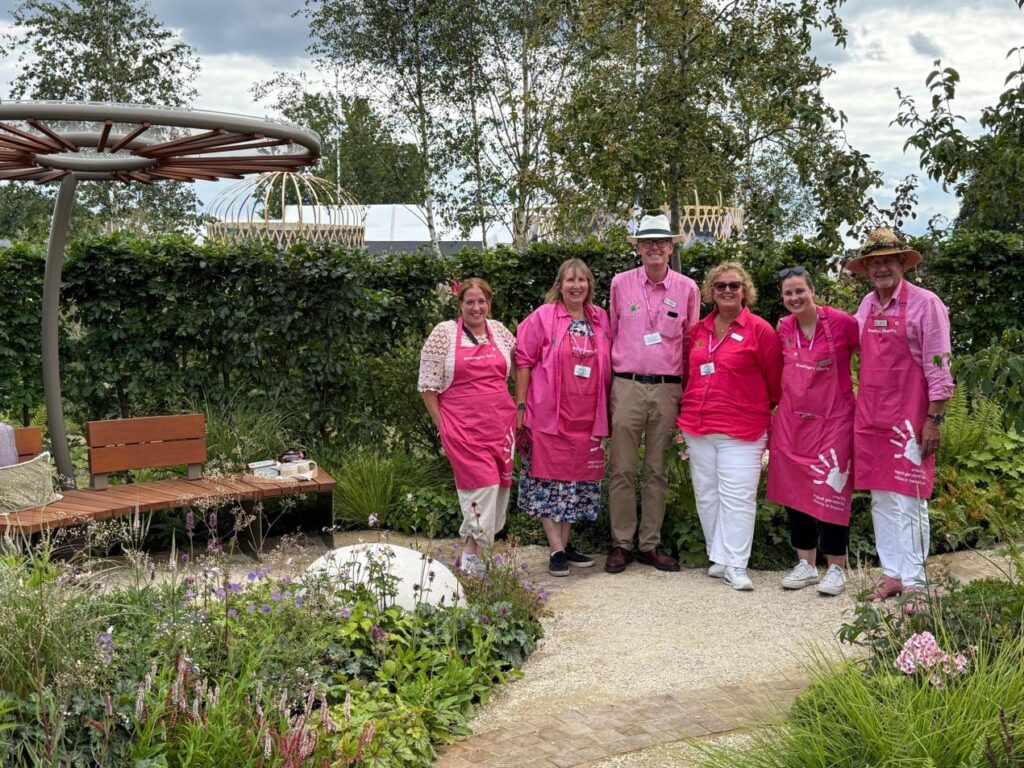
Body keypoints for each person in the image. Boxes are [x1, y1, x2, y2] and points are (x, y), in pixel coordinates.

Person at [847, 228, 953, 605]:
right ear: (866, 270)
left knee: (910, 498)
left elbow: (940, 364)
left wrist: (934, 419)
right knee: (880, 498)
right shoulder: (866, 305)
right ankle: (891, 573)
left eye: (888, 261)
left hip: (910, 417)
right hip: (873, 417)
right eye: (874, 263)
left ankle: (916, 581)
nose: (881, 269)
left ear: (902, 263)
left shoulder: (926, 304)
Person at [605, 214, 701, 573]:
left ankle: (650, 544)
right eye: (647, 242)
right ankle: (621, 543)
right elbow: (612, 333)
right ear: (638, 248)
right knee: (622, 469)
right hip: (627, 384)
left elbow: (691, 342)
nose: (655, 248)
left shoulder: (687, 288)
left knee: (657, 470)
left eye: (661, 242)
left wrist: (688, 393)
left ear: (672, 246)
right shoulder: (619, 284)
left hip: (667, 388)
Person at [677, 261, 782, 591]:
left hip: (743, 428)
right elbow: (687, 372)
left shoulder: (760, 330)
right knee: (707, 495)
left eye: (734, 285)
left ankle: (736, 563)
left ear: (745, 290)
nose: (727, 291)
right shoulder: (698, 330)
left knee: (738, 496)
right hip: (698, 424)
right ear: (711, 291)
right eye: (720, 285)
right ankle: (718, 558)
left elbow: (775, 383)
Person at [515, 259, 612, 576]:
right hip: (548, 415)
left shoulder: (600, 319)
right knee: (548, 481)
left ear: (589, 285)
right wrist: (520, 406)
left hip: (587, 418)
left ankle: (565, 544)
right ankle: (555, 548)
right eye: (570, 280)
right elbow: (524, 361)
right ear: (560, 284)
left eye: (582, 280)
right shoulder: (543, 317)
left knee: (574, 484)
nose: (576, 286)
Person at [766, 267, 859, 596]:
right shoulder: (784, 328)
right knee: (794, 491)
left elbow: (873, 355)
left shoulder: (843, 323)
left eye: (799, 291)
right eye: (788, 293)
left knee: (832, 488)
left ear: (813, 291)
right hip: (793, 422)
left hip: (834, 420)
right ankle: (805, 563)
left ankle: (836, 568)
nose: (794, 298)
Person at [418, 278, 518, 575]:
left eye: (482, 301)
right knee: (482, 487)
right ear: (460, 305)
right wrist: (442, 425)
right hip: (462, 427)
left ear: (490, 303)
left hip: (501, 424)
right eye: (470, 302)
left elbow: (525, 362)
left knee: (499, 488)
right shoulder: (444, 334)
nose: (476, 307)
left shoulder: (499, 331)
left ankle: (477, 552)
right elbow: (427, 386)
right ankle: (472, 553)